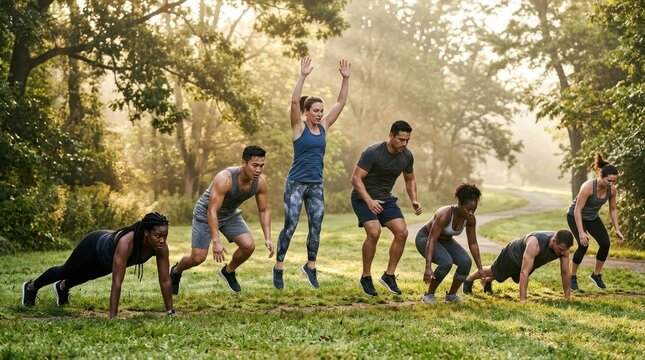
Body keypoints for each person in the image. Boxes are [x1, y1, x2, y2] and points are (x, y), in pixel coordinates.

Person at [273, 57, 351, 290]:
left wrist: (345, 79)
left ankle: (311, 266)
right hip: (296, 184)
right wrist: (303, 75)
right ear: (306, 112)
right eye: (315, 111)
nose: (319, 114)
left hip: (315, 185)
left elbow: (341, 102)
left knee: (316, 226)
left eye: (321, 111)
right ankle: (278, 267)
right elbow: (294, 100)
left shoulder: (324, 127)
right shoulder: (298, 127)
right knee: (291, 225)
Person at [21, 212, 174, 318]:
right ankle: (31, 287)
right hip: (93, 246)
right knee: (66, 271)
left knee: (87, 276)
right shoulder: (127, 242)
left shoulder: (161, 248)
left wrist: (169, 311)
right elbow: (117, 282)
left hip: (106, 260)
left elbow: (165, 280)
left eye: (165, 236)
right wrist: (113, 317)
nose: (162, 240)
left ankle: (62, 288)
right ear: (146, 233)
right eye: (158, 236)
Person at [170, 145, 274, 294]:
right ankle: (176, 271)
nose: (258, 170)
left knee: (248, 246)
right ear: (243, 163)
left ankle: (228, 271)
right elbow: (212, 210)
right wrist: (216, 241)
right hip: (206, 214)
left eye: (261, 166)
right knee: (198, 258)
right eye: (255, 165)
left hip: (230, 214)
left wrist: (268, 238)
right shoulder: (225, 178)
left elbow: (264, 210)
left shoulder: (260, 183)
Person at [351, 120, 422, 297]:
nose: (404, 144)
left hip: (385, 199)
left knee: (402, 232)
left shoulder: (407, 156)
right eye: (400, 139)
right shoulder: (373, 152)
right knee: (374, 232)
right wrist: (369, 201)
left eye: (407, 140)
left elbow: (410, 179)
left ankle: (389, 275)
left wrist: (414, 199)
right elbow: (356, 179)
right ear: (390, 136)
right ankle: (366, 277)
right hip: (363, 197)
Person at [415, 183, 486, 304]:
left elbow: (473, 244)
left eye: (473, 210)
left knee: (465, 262)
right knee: (446, 262)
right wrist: (428, 267)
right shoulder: (445, 214)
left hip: (445, 240)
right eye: (467, 209)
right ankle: (429, 295)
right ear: (459, 204)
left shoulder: (470, 219)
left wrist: (480, 268)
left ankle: (451, 295)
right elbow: (431, 239)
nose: (470, 213)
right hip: (425, 238)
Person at [462, 230, 574, 302]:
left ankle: (487, 282)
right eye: (560, 249)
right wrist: (523, 299)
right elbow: (524, 272)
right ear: (554, 241)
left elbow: (565, 273)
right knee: (493, 271)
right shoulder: (535, 243)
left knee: (503, 275)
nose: (562, 252)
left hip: (526, 260)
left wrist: (567, 297)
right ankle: (468, 279)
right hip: (512, 254)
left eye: (564, 250)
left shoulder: (564, 250)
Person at [567, 152, 623, 291]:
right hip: (575, 215)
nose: (611, 184)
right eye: (609, 180)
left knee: (605, 243)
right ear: (601, 176)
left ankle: (596, 275)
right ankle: (572, 277)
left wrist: (617, 229)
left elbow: (613, 210)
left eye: (614, 181)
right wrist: (581, 232)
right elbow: (577, 210)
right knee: (583, 245)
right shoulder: (588, 187)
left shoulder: (612, 190)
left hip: (591, 217)